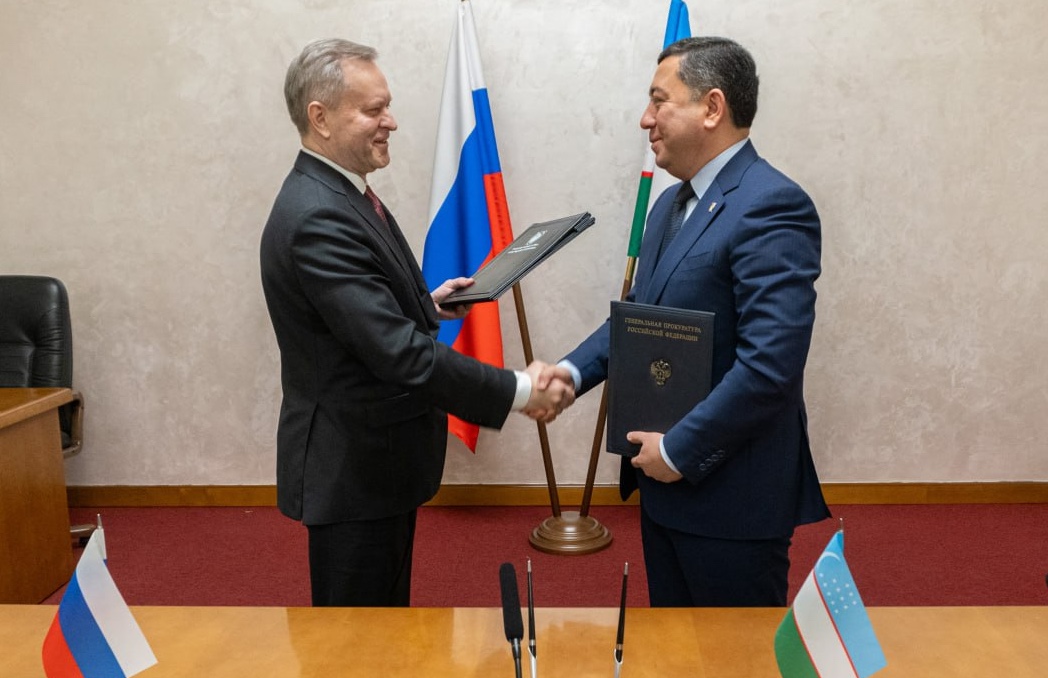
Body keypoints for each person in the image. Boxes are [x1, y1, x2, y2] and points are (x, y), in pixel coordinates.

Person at [260, 39, 573, 607]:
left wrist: (427, 304)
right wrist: (521, 391)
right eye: (374, 110)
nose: (392, 122)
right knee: (356, 639)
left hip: (376, 464)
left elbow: (356, 318)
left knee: (384, 624)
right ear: (320, 117)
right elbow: (398, 353)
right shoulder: (317, 216)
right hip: (352, 472)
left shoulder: (340, 193)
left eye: (388, 106)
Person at [541, 37, 830, 607]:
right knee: (674, 646)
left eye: (659, 101)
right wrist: (569, 374)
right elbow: (640, 320)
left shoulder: (772, 204)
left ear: (712, 107)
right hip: (664, 485)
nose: (645, 119)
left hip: (731, 494)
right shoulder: (669, 207)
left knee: (732, 657)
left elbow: (770, 366)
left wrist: (679, 451)